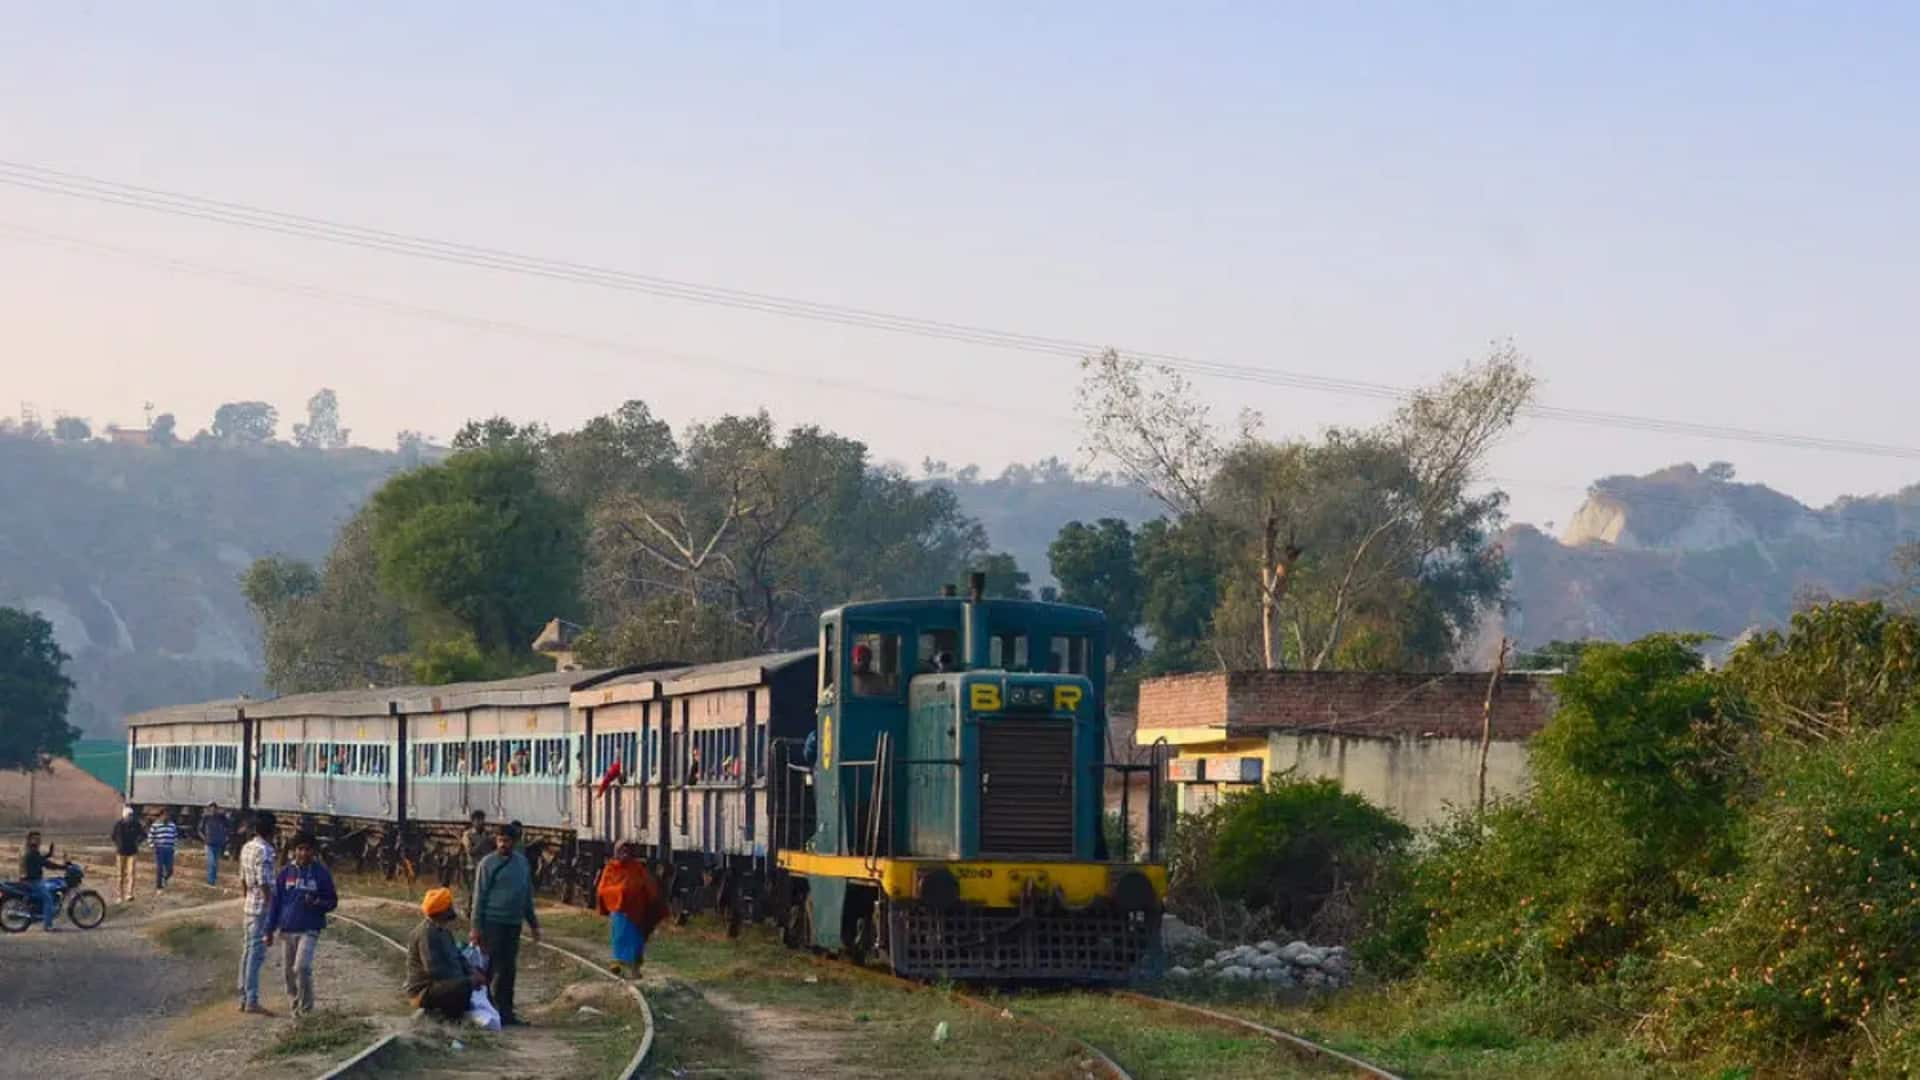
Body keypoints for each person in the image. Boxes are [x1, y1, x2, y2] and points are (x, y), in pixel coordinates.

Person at [470, 821, 541, 1027]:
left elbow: (526, 895)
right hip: (492, 922)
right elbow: (479, 897)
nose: (503, 844)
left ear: (514, 842)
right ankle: (488, 1011)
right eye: (500, 840)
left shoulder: (521, 864)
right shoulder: (487, 864)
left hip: (513, 923)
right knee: (492, 968)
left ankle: (507, 1013)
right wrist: (476, 928)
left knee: (508, 969)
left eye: (507, 841)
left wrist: (533, 924)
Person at [263, 831, 337, 1019]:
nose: (303, 853)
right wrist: (268, 930)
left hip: (309, 929)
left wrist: (317, 903)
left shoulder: (321, 874)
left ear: (313, 852)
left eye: (307, 849)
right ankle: (294, 1006)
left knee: (301, 968)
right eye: (300, 849)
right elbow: (275, 904)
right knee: (288, 974)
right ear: (294, 851)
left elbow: (332, 901)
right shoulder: (285, 873)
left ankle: (307, 1009)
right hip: (287, 930)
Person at [405, 887, 485, 1022]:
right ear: (442, 911)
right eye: (449, 906)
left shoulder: (443, 930)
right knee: (465, 986)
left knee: (470, 981)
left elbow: (458, 956)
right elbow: (435, 970)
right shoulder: (426, 934)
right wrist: (467, 980)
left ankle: (453, 1014)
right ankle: (447, 1016)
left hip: (440, 985)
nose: (452, 909)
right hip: (424, 991)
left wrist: (472, 971)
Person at [594, 841, 663, 978]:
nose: (624, 854)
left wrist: (652, 900)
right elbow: (603, 889)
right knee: (619, 937)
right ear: (616, 853)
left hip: (636, 912)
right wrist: (618, 893)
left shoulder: (637, 868)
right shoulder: (611, 868)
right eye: (621, 851)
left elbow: (648, 886)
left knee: (635, 941)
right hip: (619, 912)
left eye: (627, 851)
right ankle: (618, 964)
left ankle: (634, 970)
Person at [237, 812, 278, 1015]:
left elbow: (243, 880)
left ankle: (243, 996)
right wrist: (272, 909)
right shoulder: (266, 851)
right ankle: (251, 999)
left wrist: (247, 898)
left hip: (249, 906)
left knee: (247, 951)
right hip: (262, 908)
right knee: (256, 954)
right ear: (272, 830)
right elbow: (264, 882)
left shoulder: (247, 847)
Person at [17, 831, 69, 932]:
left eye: (39, 838)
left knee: (49, 888)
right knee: (48, 899)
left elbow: (40, 859)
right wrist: (63, 867)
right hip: (32, 881)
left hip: (29, 879)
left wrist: (49, 854)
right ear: (31, 840)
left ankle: (44, 916)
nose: (39, 841)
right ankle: (48, 926)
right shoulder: (31, 852)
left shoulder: (28, 849)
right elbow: (45, 863)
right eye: (36, 838)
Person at [109, 805, 144, 903]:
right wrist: (118, 845)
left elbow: (143, 834)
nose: (130, 817)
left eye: (131, 815)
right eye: (129, 815)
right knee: (120, 874)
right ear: (124, 815)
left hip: (132, 852)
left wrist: (138, 842)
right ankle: (119, 896)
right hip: (121, 852)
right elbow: (113, 836)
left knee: (131, 873)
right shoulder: (119, 825)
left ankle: (129, 894)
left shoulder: (136, 824)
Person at [150, 807, 179, 891]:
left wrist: (175, 847)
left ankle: (165, 879)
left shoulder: (172, 825)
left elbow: (175, 837)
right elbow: (150, 837)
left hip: (169, 849)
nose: (166, 817)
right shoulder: (155, 825)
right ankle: (159, 886)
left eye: (168, 815)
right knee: (159, 868)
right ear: (161, 815)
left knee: (170, 869)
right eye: (165, 815)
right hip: (159, 848)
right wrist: (153, 846)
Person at [202, 803, 231, 886]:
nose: (213, 810)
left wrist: (225, 836)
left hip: (218, 842)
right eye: (211, 809)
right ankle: (211, 881)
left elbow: (228, 826)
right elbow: (200, 829)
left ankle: (212, 879)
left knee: (215, 863)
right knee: (212, 862)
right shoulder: (206, 818)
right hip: (209, 843)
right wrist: (205, 838)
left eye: (214, 809)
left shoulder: (221, 818)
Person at [461, 811, 489, 876]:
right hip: (473, 868)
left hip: (486, 867)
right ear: (473, 821)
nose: (481, 822)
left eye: (482, 819)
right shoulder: (467, 834)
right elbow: (470, 851)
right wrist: (483, 841)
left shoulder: (487, 833)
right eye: (478, 820)